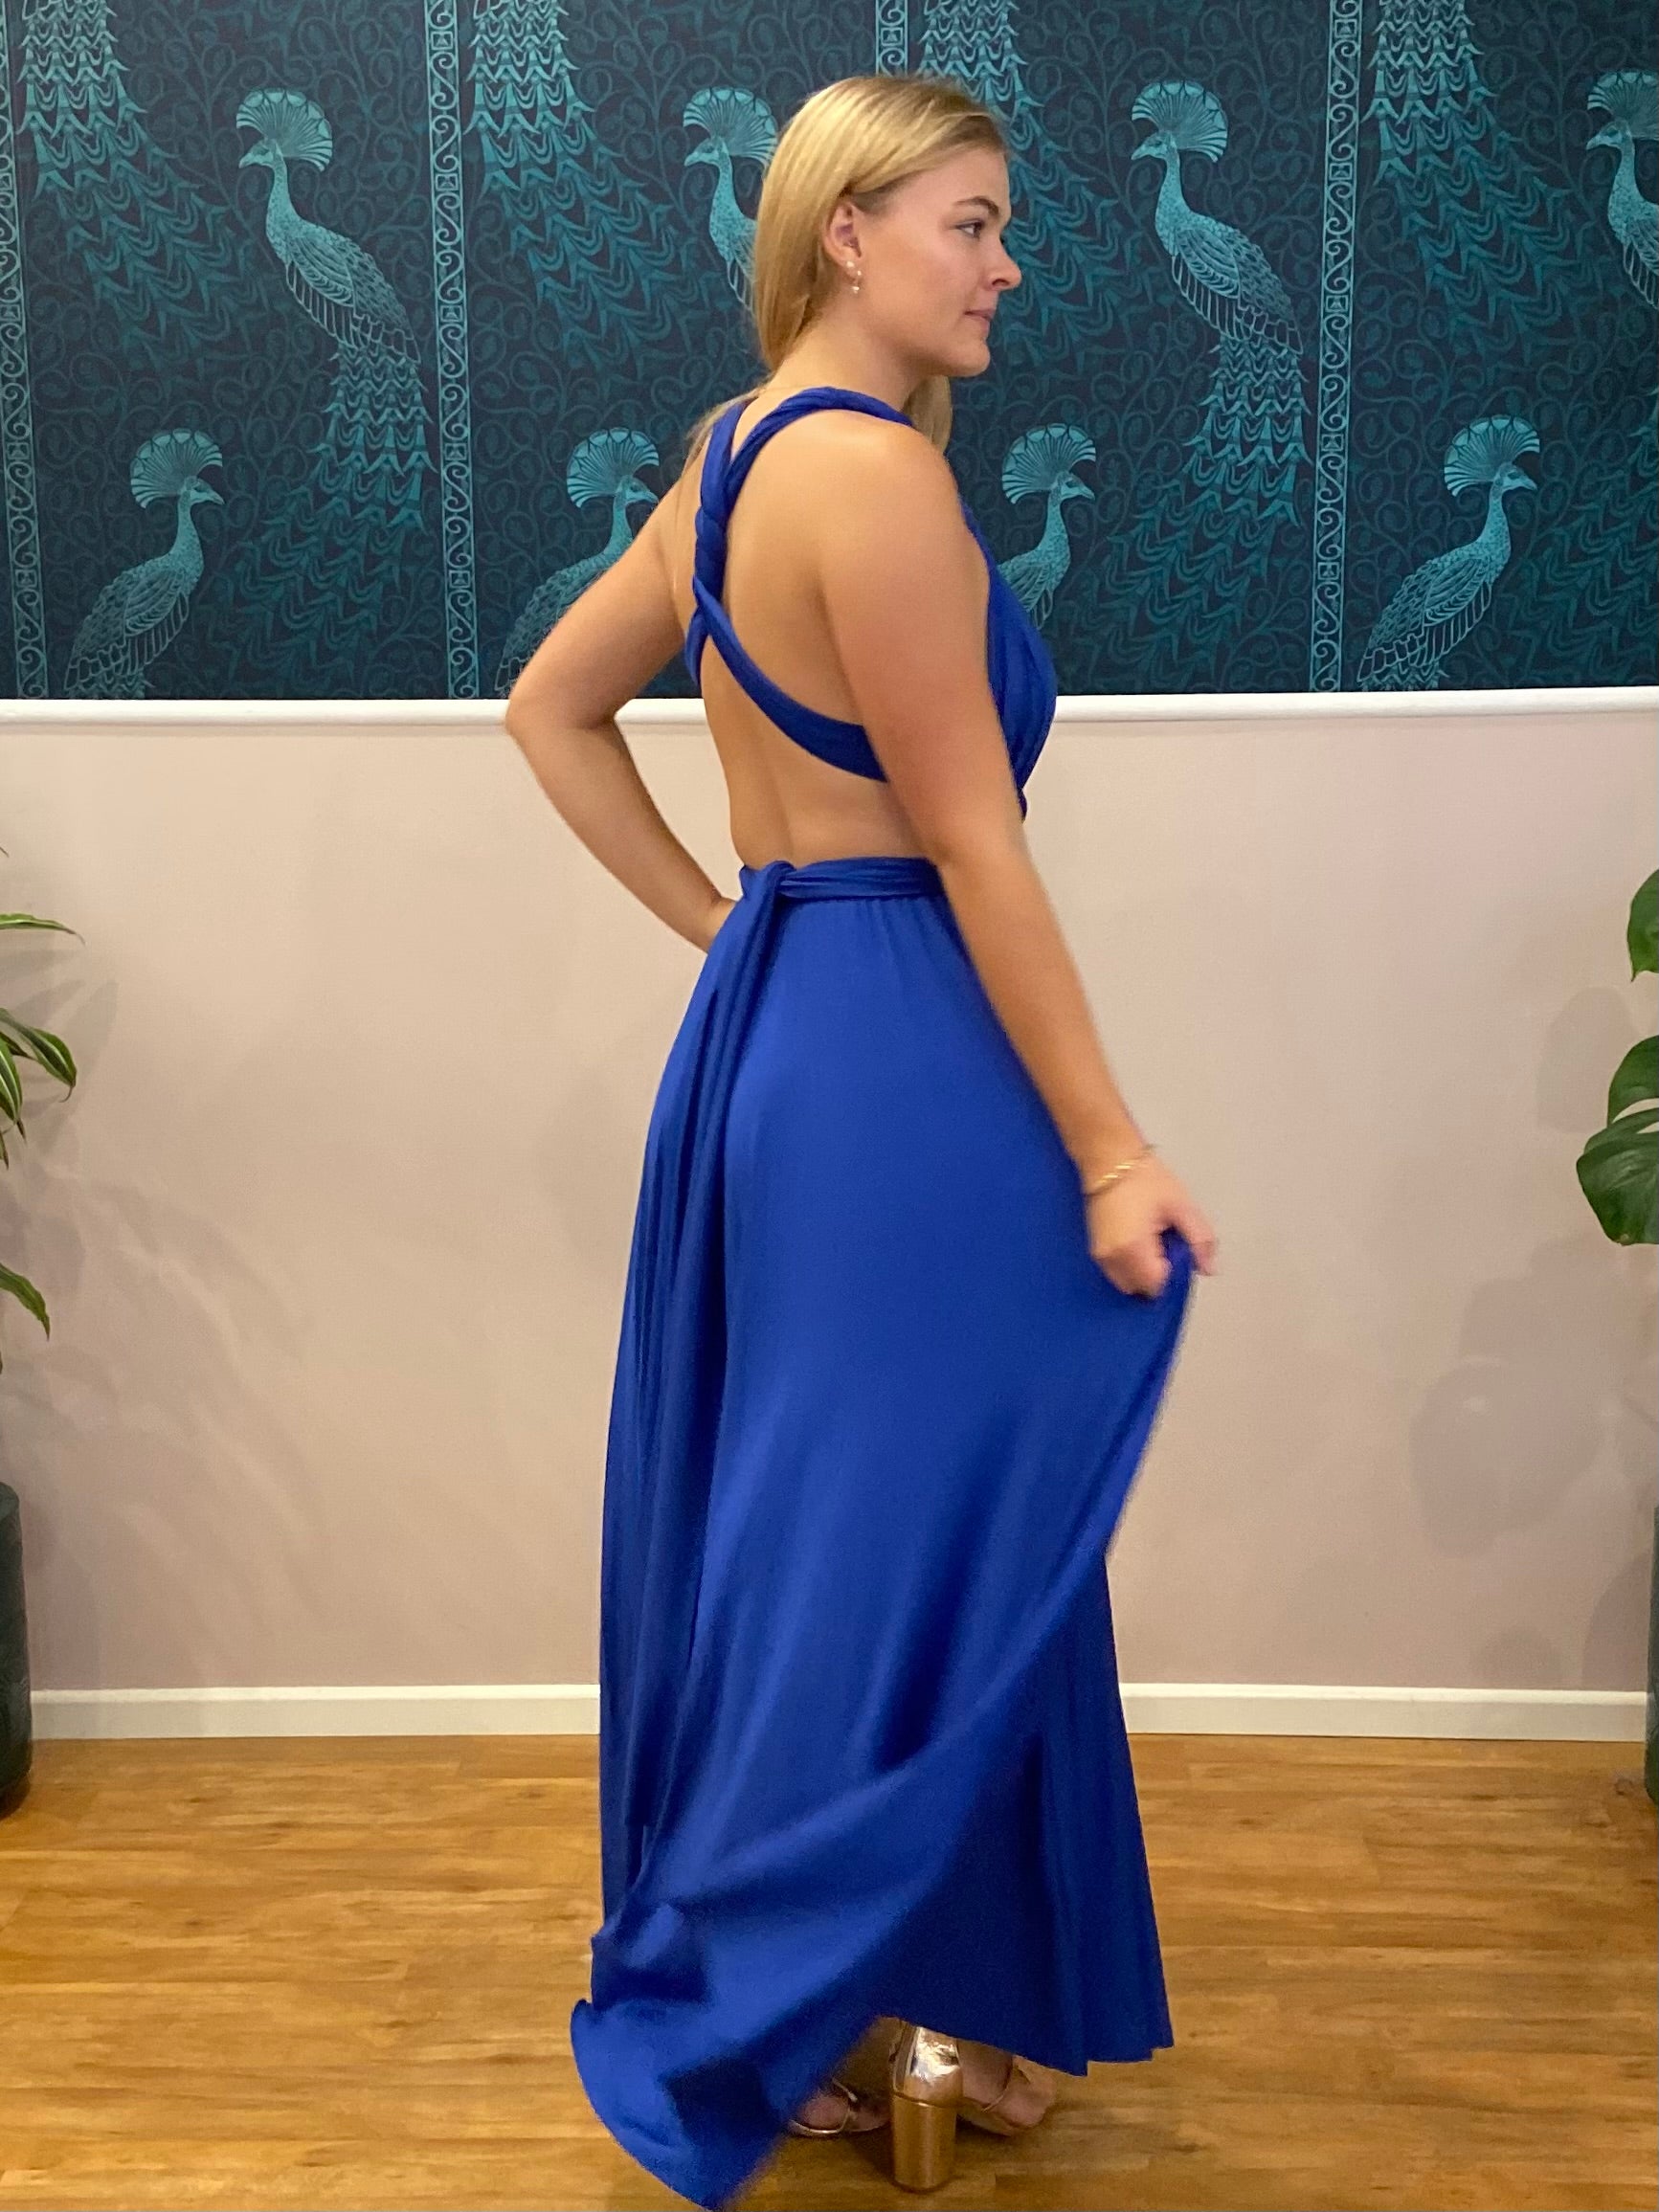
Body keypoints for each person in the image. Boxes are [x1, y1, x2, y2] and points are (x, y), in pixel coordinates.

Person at [504, 69, 1219, 2212]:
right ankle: (835, 1997)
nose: (1007, 267)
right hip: (905, 1041)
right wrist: (1110, 1146)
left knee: (835, 1520)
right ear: (847, 231)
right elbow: (975, 844)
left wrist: (739, 930)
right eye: (971, 224)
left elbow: (549, 706)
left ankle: (865, 2002)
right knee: (921, 1531)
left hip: (782, 1034)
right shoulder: (880, 482)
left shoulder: (729, 462)